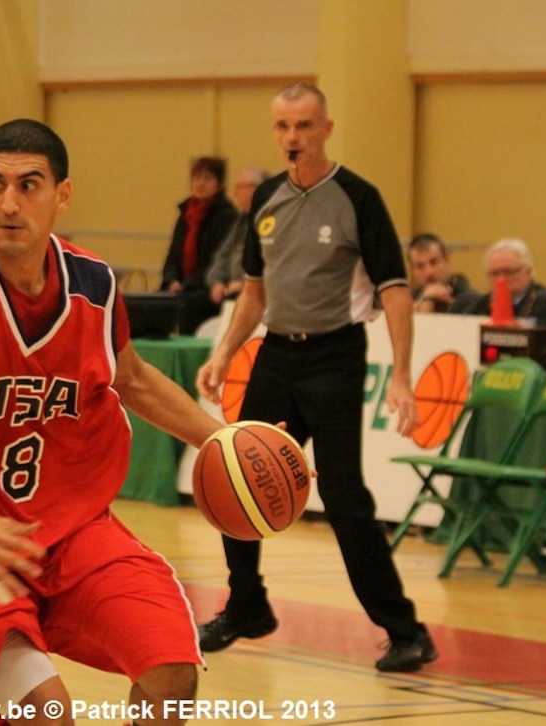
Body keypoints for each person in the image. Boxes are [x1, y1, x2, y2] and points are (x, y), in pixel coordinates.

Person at [0, 119, 226, 724]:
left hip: (73, 533)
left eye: (29, 185)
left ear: (63, 195)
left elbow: (127, 378)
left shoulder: (95, 287)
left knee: (172, 670)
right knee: (44, 713)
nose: (8, 203)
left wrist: (224, 441)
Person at [195, 83, 437, 674]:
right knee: (234, 475)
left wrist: (402, 374)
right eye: (283, 127)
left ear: (326, 128)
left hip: (335, 357)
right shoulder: (268, 200)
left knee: (344, 499)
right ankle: (247, 607)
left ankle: (406, 631)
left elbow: (395, 290)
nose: (292, 138)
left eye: (304, 126)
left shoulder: (358, 197)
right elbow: (255, 291)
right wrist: (226, 351)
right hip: (277, 354)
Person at [160, 156, 238, 334]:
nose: (200, 183)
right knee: (157, 301)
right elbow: (173, 255)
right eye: (196, 178)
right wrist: (172, 280)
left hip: (207, 286)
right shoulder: (186, 214)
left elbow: (216, 261)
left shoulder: (226, 216)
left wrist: (186, 285)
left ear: (219, 184)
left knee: (190, 304)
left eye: (207, 178)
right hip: (184, 286)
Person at [455, 237, 546, 329]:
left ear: (528, 271)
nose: (502, 279)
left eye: (508, 272)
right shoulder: (480, 304)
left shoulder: (544, 303)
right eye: (495, 273)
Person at [206, 166, 270, 304]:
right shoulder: (242, 219)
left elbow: (268, 260)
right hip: (232, 288)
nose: (235, 193)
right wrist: (216, 281)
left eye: (240, 187)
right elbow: (223, 254)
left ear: (257, 189)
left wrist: (245, 282)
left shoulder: (269, 219)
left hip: (258, 291)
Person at [406, 233, 480, 313]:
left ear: (446, 260)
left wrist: (428, 300)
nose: (429, 272)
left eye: (434, 262)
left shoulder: (471, 301)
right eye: (420, 266)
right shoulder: (409, 299)